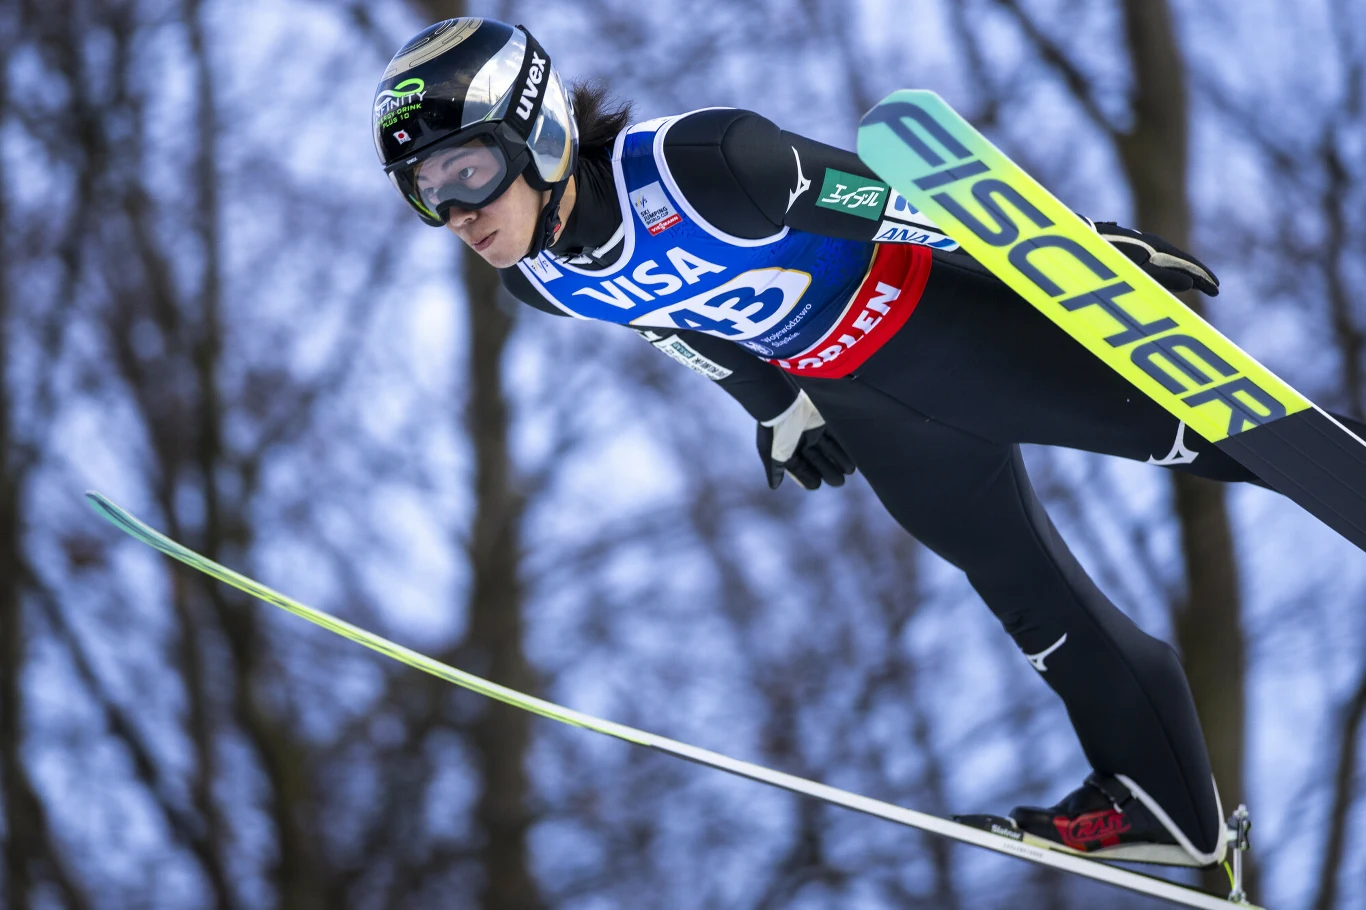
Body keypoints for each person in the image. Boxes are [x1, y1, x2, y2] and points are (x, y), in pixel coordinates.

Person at [372, 17, 1355, 868]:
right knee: (1031, 597)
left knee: (1229, 433)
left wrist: (1075, 251)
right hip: (865, 406)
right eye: (426, 187)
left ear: (538, 132)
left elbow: (895, 202)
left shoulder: (707, 168)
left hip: (952, 332)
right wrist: (773, 407)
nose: (456, 210)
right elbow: (669, 319)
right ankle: (1161, 803)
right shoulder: (540, 280)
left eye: (469, 168)